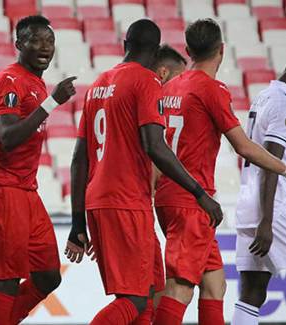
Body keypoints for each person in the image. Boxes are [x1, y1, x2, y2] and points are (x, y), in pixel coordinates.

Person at [66, 19, 223, 325]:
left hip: (102, 200)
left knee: (151, 293)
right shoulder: (145, 81)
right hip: (125, 201)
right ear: (155, 53)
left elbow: (78, 159)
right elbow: (155, 146)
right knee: (135, 300)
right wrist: (199, 193)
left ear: (125, 45)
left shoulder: (98, 84)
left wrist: (77, 222)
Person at [152, 19, 286, 325]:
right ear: (222, 51)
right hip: (192, 200)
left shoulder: (169, 86)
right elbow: (244, 147)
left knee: (214, 284)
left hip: (173, 196)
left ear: (188, 51)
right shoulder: (211, 90)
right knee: (180, 287)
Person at [0, 15, 76, 325]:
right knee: (5, 278)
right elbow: (8, 137)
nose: (45, 47)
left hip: (25, 190)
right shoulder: (10, 80)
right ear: (18, 44)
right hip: (0, 188)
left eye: (50, 41)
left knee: (48, 276)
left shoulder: (35, 82)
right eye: (36, 40)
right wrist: (52, 103)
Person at [232, 70, 286, 325]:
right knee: (252, 290)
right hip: (272, 207)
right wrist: (266, 221)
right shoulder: (283, 103)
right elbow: (271, 162)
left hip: (249, 203)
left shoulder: (264, 96)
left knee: (252, 291)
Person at [150, 43, 188, 308]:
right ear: (163, 73)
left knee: (152, 285)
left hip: (147, 202)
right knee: (173, 285)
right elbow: (154, 155)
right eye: (180, 77)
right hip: (155, 201)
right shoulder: (151, 104)